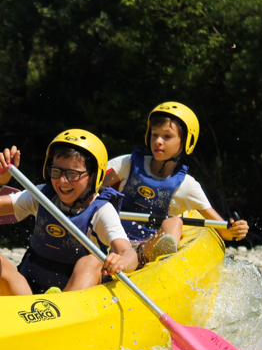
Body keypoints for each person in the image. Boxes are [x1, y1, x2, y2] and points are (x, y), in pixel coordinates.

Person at [0, 129, 138, 297]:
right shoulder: (42, 195)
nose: (62, 181)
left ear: (94, 176)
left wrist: (121, 261)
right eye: (57, 171)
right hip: (28, 291)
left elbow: (128, 253)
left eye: (73, 174)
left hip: (69, 298)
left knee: (92, 261)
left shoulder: (101, 211)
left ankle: (69, 318)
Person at [101, 102, 249, 266]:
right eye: (154, 134)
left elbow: (223, 230)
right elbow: (90, 189)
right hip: (112, 241)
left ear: (185, 141)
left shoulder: (187, 186)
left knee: (174, 222)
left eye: (167, 136)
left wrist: (236, 230)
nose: (158, 141)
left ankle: (152, 258)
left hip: (144, 247)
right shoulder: (127, 164)